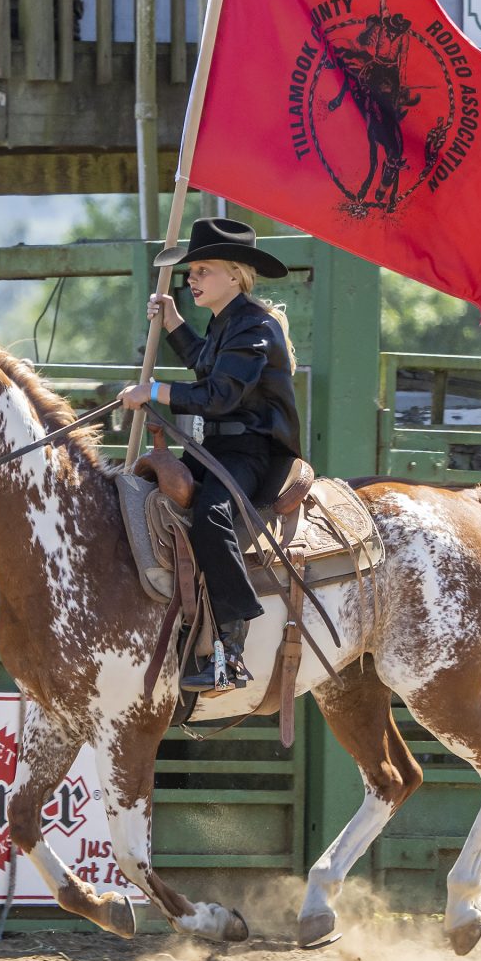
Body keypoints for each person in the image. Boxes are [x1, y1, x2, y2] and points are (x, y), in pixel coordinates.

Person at [118, 218, 303, 693]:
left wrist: (153, 390)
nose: (192, 279)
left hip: (253, 452)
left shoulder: (255, 328)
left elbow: (219, 394)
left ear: (236, 275)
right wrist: (175, 321)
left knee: (211, 515)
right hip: (216, 447)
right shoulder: (229, 323)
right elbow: (204, 360)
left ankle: (230, 647)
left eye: (203, 270)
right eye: (191, 271)